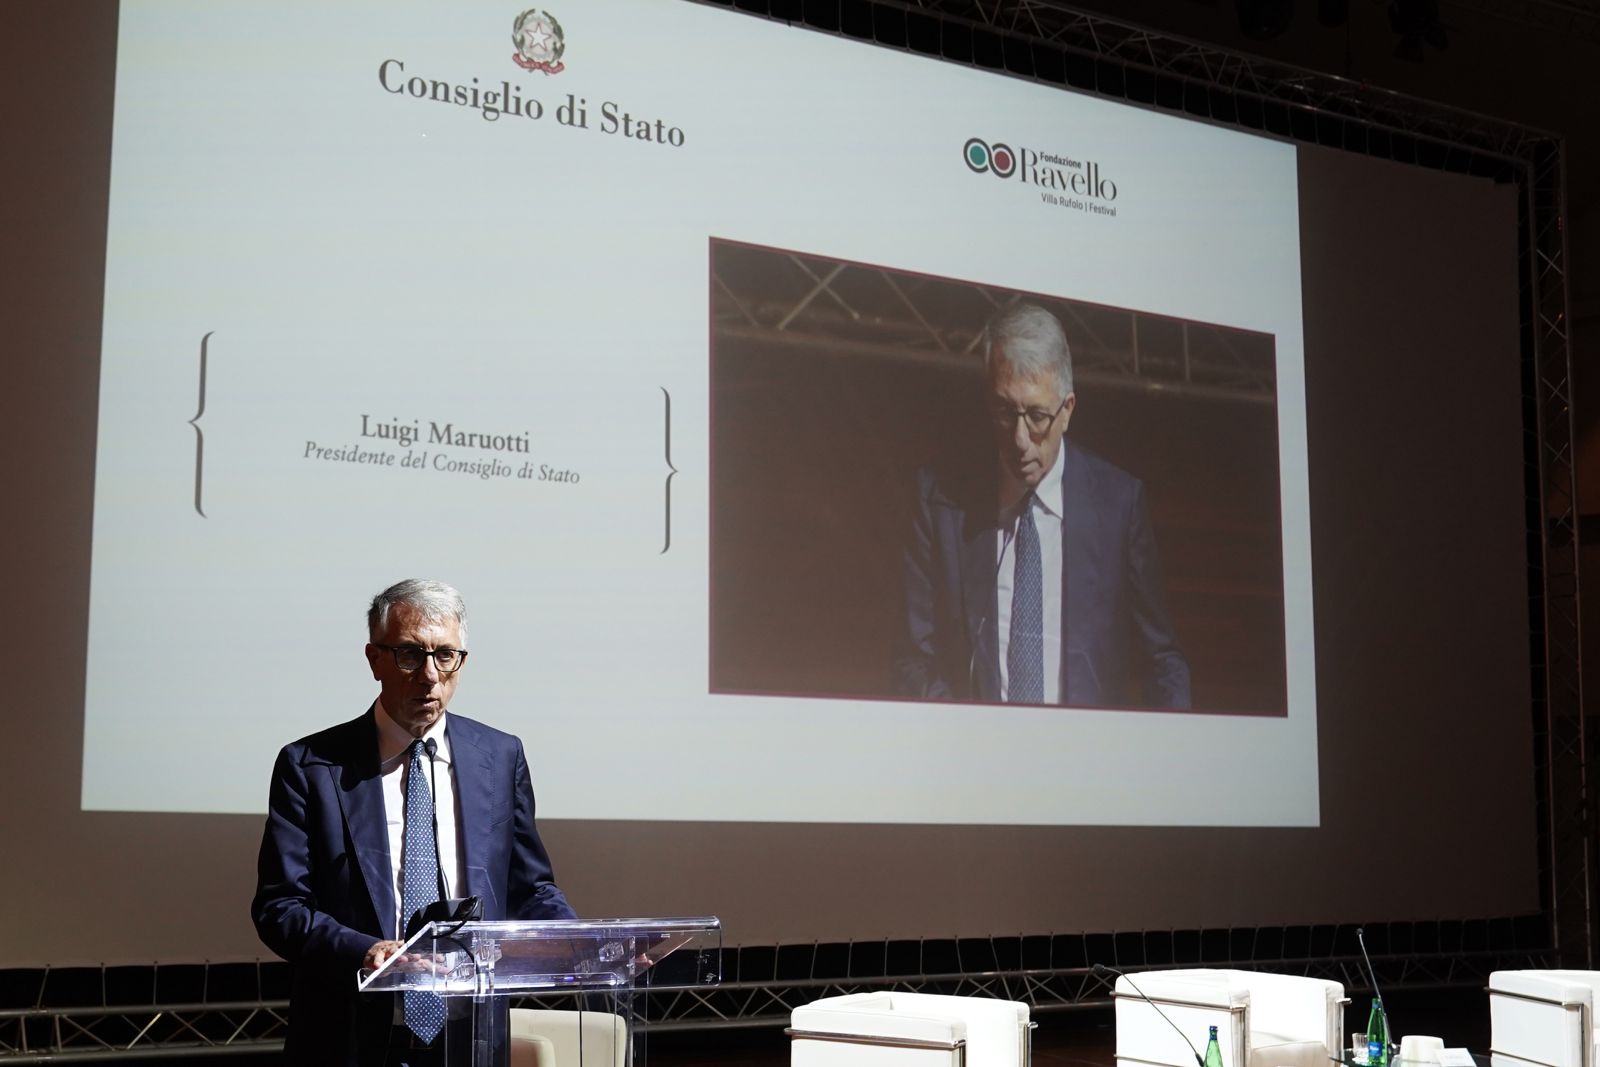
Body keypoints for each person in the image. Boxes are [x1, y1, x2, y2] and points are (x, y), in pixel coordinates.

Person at [252, 578, 575, 1066]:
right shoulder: (311, 765)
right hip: (351, 1034)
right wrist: (366, 951)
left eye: (446, 656)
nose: (429, 675)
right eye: (410, 654)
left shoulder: (500, 756)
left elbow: (530, 887)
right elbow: (280, 908)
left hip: (471, 1034)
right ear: (374, 659)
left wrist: (578, 941)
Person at [893, 303, 1192, 709]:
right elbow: (913, 658)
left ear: (1067, 410)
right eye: (1004, 412)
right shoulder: (938, 499)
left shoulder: (1119, 504)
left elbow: (1163, 662)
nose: (1019, 440)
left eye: (1037, 416)